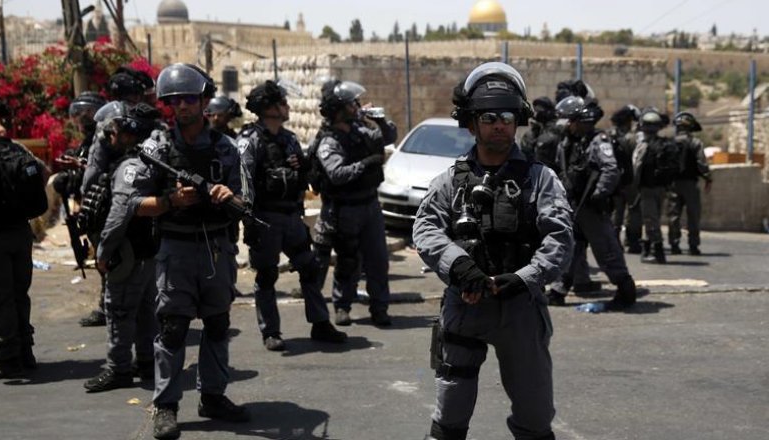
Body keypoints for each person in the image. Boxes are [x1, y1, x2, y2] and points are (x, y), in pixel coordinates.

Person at [413, 62, 574, 440]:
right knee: (449, 415)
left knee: (535, 416)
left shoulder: (540, 179)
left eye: (506, 115)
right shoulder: (450, 181)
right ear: (471, 123)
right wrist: (460, 267)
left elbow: (561, 238)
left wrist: (524, 279)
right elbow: (425, 227)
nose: (499, 124)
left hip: (520, 308)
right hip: (465, 304)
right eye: (488, 116)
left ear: (517, 120)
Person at [123, 63, 251, 439]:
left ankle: (212, 396)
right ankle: (165, 405)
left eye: (189, 99)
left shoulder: (226, 148)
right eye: (174, 100)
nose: (181, 106)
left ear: (204, 101)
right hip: (175, 249)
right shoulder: (156, 147)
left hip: (216, 248)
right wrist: (169, 201)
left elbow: (246, 203)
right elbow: (132, 203)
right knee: (173, 328)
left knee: (217, 324)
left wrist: (231, 198)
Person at [237, 80, 347, 351]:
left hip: (291, 218)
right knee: (266, 276)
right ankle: (270, 332)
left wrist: (305, 167)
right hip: (265, 219)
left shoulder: (288, 139)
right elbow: (245, 182)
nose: (287, 107)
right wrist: (248, 220)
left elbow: (306, 178)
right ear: (270, 108)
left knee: (309, 268)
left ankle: (320, 323)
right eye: (282, 103)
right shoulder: (250, 140)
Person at [82, 102, 162, 392]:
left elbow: (119, 214)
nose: (109, 137)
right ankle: (146, 363)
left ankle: (118, 369)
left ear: (128, 134)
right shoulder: (151, 158)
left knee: (118, 312)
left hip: (128, 252)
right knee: (144, 312)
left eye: (114, 131)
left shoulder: (129, 165)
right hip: (148, 251)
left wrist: (103, 253)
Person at [310, 78, 397, 327]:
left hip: (370, 204)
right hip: (343, 209)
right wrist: (364, 165)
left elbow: (387, 136)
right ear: (339, 110)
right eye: (351, 104)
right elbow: (337, 175)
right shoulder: (329, 140)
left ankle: (380, 308)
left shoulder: (362, 130)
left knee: (378, 260)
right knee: (348, 260)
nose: (356, 107)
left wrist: (379, 119)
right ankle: (342, 306)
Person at [0, 85, 49, 380]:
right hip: (20, 234)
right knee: (20, 293)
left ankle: (7, 360)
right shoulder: (14, 148)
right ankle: (25, 352)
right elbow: (42, 173)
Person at [78, 68, 158, 328]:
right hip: (148, 201)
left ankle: (111, 311)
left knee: (111, 256)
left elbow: (93, 170)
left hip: (117, 199)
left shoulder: (110, 120)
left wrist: (88, 194)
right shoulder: (149, 121)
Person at [547, 96, 638, 308]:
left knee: (606, 250)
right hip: (573, 205)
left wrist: (599, 194)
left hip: (591, 206)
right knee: (570, 248)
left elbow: (610, 169)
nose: (567, 125)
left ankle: (626, 290)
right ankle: (558, 291)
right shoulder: (568, 142)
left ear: (581, 120)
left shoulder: (599, 140)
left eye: (570, 120)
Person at [633, 108, 674, 264]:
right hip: (661, 188)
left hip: (647, 188)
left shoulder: (643, 146)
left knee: (650, 219)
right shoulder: (665, 144)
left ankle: (658, 251)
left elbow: (636, 167)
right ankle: (647, 250)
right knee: (653, 218)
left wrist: (635, 187)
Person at [668, 112, 712, 255]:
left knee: (674, 215)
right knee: (693, 215)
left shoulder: (670, 142)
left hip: (673, 183)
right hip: (690, 184)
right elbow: (701, 163)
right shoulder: (695, 143)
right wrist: (708, 178)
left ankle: (674, 244)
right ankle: (693, 245)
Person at [609, 104, 642, 253]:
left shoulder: (608, 136)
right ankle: (633, 241)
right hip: (630, 180)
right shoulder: (633, 138)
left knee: (616, 211)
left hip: (614, 180)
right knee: (634, 210)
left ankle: (614, 241)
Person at [518, 96, 564, 172]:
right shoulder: (532, 132)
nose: (536, 114)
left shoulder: (556, 129)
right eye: (535, 110)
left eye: (539, 110)